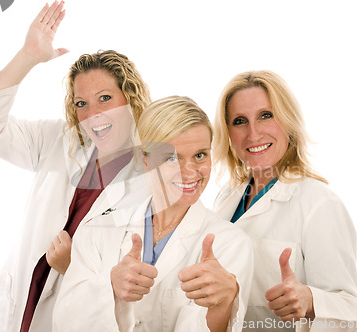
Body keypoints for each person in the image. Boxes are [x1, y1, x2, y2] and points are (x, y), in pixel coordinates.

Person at [0, 2, 151, 331]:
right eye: (81, 103)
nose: (94, 114)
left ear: (130, 96)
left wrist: (72, 266)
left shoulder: (153, 175)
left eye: (105, 98)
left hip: (77, 318)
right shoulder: (59, 140)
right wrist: (28, 56)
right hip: (19, 306)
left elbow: (138, 286)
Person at [52, 96, 254, 332]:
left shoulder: (230, 244)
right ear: (144, 159)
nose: (190, 172)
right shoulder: (98, 230)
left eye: (200, 155)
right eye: (171, 158)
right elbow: (63, 322)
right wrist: (110, 287)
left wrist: (222, 305)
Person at [212, 70, 357, 331]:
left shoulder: (319, 204)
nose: (253, 134)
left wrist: (311, 302)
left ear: (287, 121)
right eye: (240, 121)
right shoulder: (225, 199)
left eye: (266, 115)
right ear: (228, 133)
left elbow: (354, 313)